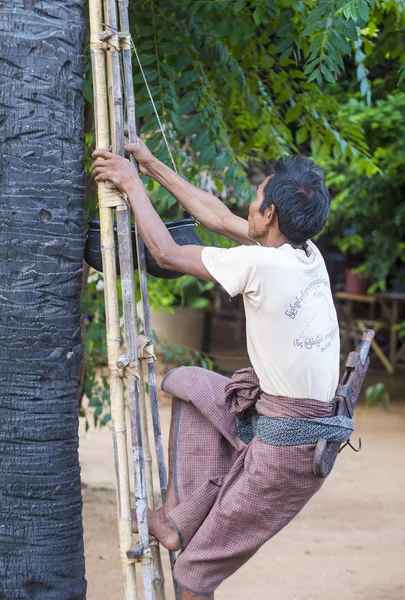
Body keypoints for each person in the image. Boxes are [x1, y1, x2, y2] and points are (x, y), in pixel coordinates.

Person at [92, 141, 340, 600]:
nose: (249, 203)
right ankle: (175, 520)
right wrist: (150, 166)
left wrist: (129, 183)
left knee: (192, 576)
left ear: (269, 216)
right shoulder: (306, 256)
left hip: (288, 448)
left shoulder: (262, 264)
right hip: (289, 421)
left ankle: (181, 537)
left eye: (256, 197)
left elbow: (165, 253)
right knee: (192, 384)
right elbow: (218, 218)